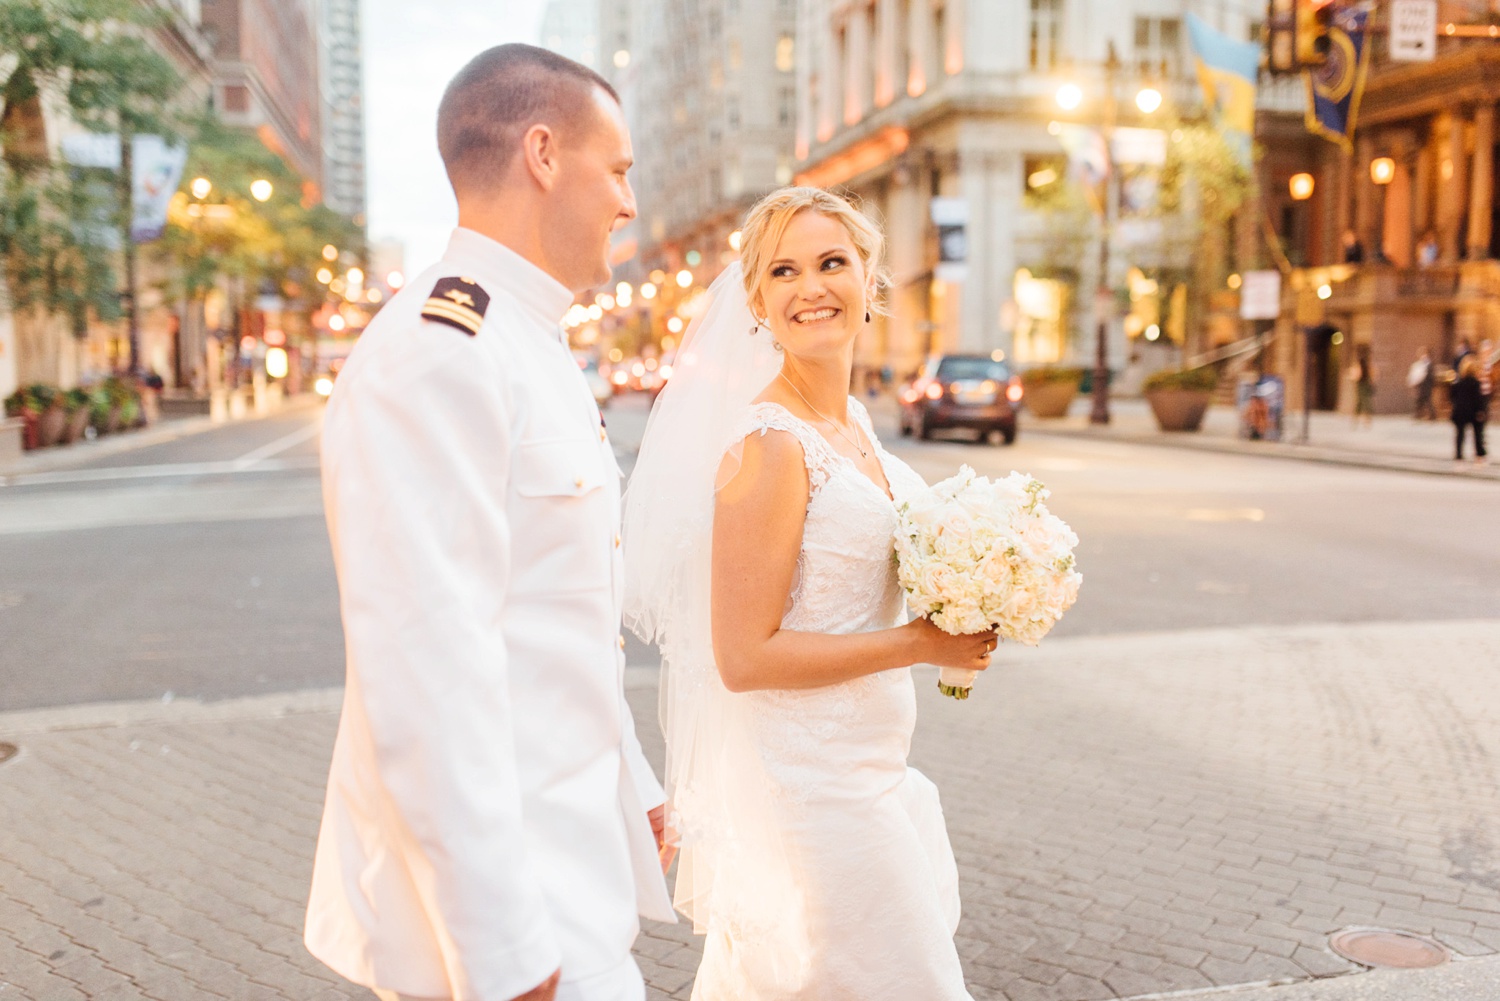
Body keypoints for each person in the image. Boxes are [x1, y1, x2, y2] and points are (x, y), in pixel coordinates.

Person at [304, 44, 674, 1001]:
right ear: (544, 154)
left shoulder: (526, 339)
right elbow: (423, 675)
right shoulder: (442, 353)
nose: (629, 202)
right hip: (506, 920)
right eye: (620, 169)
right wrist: (501, 953)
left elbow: (560, 621)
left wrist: (636, 786)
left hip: (572, 873)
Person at [624, 187, 992, 999]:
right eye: (783, 270)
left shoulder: (852, 423)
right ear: (757, 300)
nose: (810, 286)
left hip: (876, 769)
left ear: (871, 279)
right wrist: (921, 646)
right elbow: (744, 656)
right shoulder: (769, 445)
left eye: (832, 262)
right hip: (815, 796)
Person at [1449, 355, 1488, 462]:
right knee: (1477, 434)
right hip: (1473, 411)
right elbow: (1478, 399)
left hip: (1460, 411)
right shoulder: (1476, 383)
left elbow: (1452, 396)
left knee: (1460, 434)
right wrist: (1481, 411)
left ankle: (1459, 456)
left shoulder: (1458, 383)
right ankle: (1479, 455)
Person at [1348, 346, 1376, 428]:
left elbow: (1355, 375)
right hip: (1362, 385)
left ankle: (1360, 422)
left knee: (1362, 403)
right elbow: (1372, 375)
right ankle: (1362, 421)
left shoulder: (1363, 364)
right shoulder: (1364, 364)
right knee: (1363, 403)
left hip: (1362, 385)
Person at [1408, 347, 1436, 421]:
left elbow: (1429, 375)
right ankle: (1419, 414)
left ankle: (1431, 415)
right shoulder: (1421, 364)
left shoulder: (1429, 364)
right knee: (1422, 400)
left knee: (1426, 400)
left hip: (1426, 385)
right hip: (1422, 385)